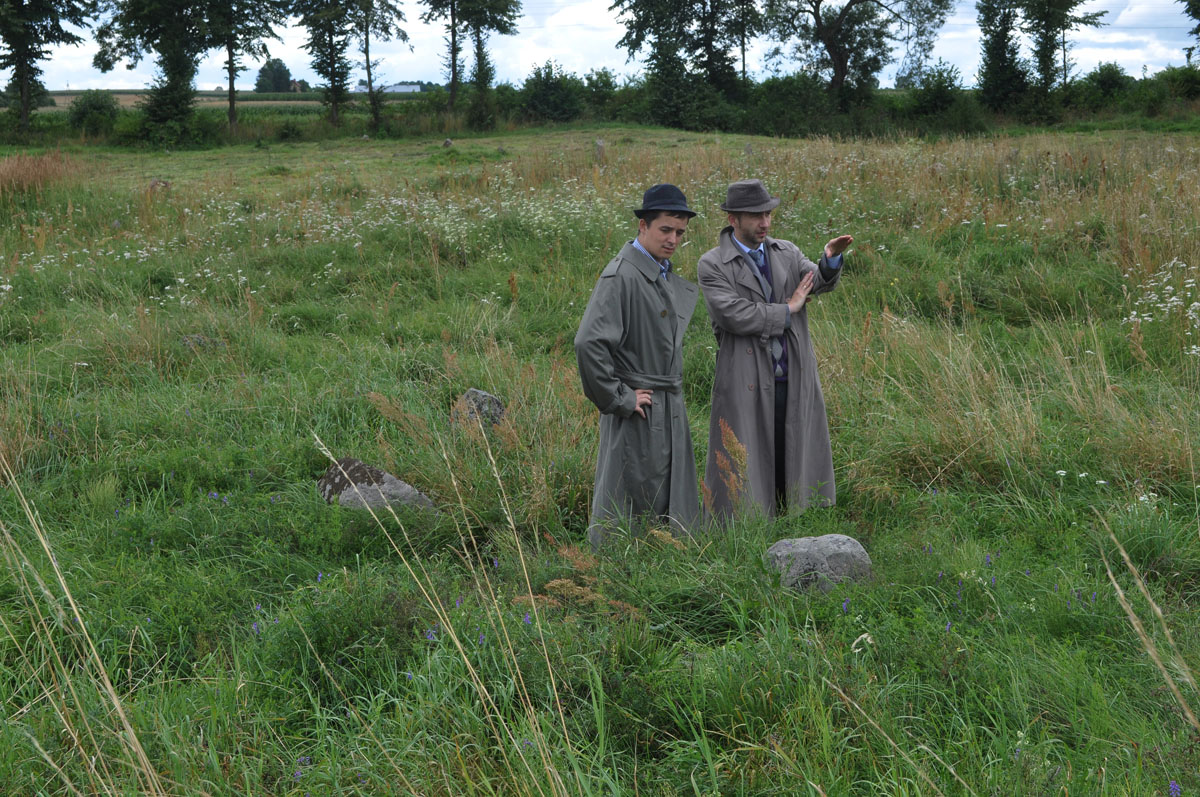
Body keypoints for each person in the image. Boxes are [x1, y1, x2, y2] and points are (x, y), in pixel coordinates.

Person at [697, 178, 853, 520]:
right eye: (755, 216)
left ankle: (792, 521)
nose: (765, 222)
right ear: (733, 219)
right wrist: (788, 309)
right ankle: (745, 529)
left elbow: (817, 282)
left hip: (791, 373)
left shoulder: (787, 251)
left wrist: (828, 261)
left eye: (767, 213)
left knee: (791, 449)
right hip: (745, 376)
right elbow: (734, 315)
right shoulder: (712, 265)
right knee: (749, 455)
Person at [574, 184, 700, 548]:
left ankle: (664, 560)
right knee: (629, 492)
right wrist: (620, 398)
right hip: (639, 405)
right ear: (642, 226)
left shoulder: (656, 271)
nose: (673, 239)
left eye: (679, 233)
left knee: (662, 489)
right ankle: (619, 570)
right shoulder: (622, 276)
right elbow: (588, 343)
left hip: (666, 402)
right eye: (665, 230)